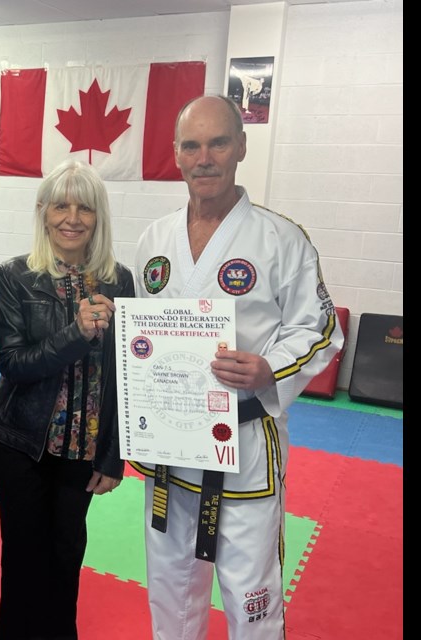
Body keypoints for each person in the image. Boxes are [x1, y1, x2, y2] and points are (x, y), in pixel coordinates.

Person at [131, 95, 344, 640]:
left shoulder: (280, 239)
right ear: (176, 156)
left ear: (242, 147)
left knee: (252, 597)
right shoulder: (154, 240)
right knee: (171, 589)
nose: (205, 157)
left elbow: (320, 328)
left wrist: (269, 367)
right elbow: (141, 347)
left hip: (245, 445)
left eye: (218, 142)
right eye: (191, 145)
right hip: (172, 450)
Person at [0, 159, 135, 640]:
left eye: (84, 207)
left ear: (99, 217)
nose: (72, 217)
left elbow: (124, 376)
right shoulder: (14, 276)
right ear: (43, 212)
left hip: (83, 448)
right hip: (20, 442)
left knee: (66, 558)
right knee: (24, 561)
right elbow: (13, 364)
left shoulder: (120, 282)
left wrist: (114, 456)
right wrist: (76, 333)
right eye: (61, 205)